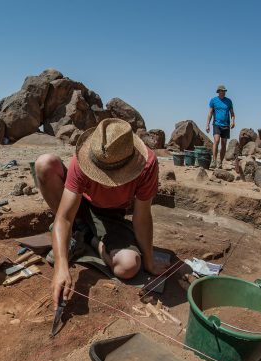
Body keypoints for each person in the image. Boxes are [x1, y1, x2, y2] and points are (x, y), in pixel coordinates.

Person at [35, 118, 169, 309]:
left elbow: (142, 216)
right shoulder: (82, 160)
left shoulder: (147, 164)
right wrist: (61, 266)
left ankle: (88, 237)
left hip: (111, 215)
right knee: (45, 163)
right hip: (78, 203)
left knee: (128, 266)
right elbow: (63, 217)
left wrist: (149, 262)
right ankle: (75, 233)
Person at [205, 85, 235, 169]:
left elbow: (232, 113)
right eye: (222, 91)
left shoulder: (229, 101)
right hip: (216, 124)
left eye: (225, 91)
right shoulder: (213, 100)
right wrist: (207, 124)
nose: (224, 92)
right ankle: (214, 161)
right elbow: (210, 113)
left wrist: (233, 121)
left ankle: (220, 162)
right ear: (218, 92)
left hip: (226, 125)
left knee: (224, 144)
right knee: (216, 140)